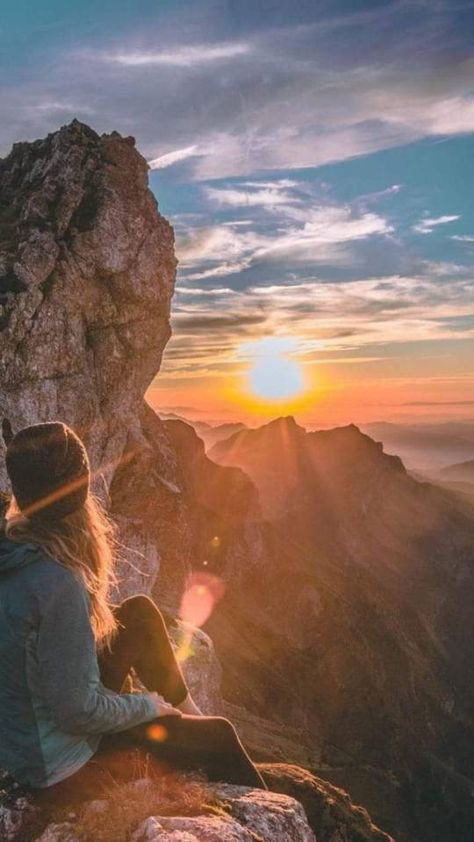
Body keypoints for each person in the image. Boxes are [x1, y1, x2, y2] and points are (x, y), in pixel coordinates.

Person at [0, 421, 265, 804]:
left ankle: (187, 713)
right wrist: (145, 706)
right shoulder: (58, 582)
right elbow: (77, 712)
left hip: (28, 733)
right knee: (221, 736)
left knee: (138, 613)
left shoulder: (17, 547)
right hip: (59, 763)